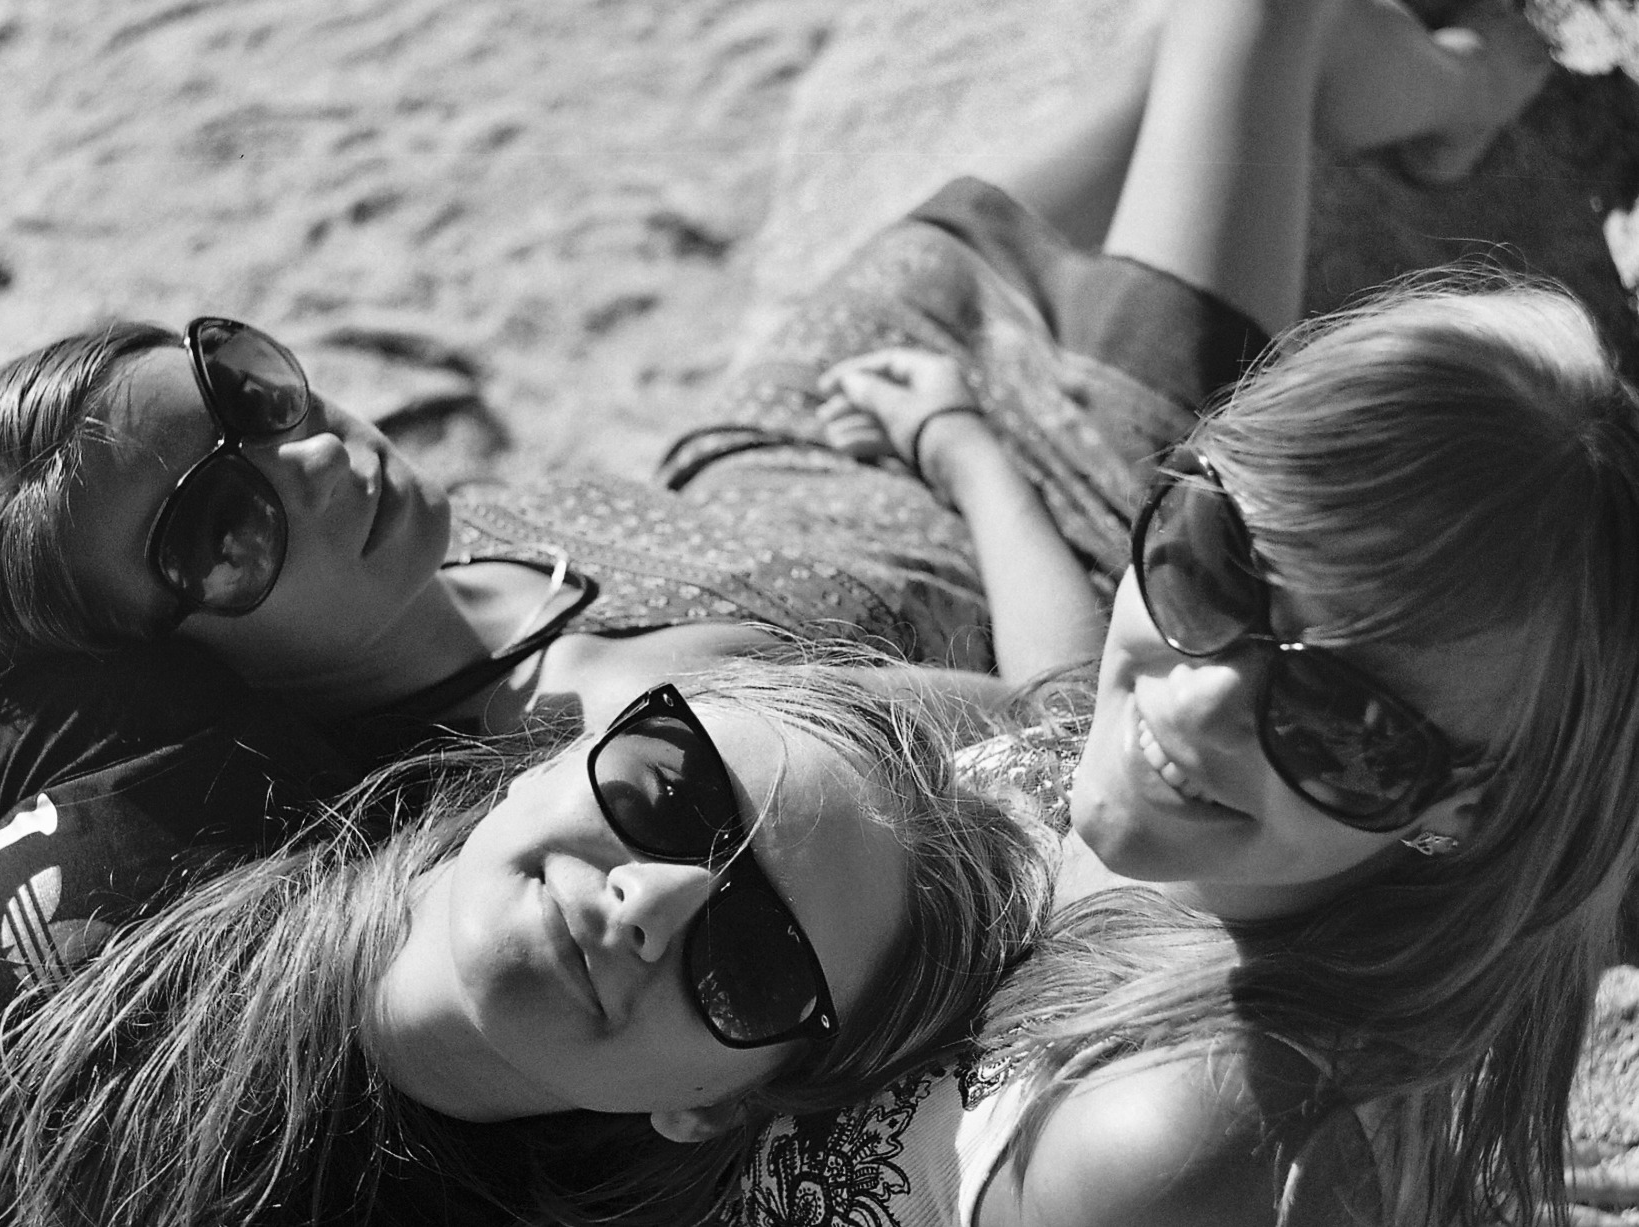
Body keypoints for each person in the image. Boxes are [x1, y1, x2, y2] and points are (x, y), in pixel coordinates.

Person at [651, 0, 1638, 1224]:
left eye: (1344, 723)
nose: (1201, 697)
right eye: (1214, 564)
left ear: (1467, 809)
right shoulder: (1199, 862)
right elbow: (1062, 705)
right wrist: (969, 456)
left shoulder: (1178, 1144)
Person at [0, 654, 1046, 1227]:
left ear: (712, 1107)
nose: (652, 900)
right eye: (669, 790)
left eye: (753, 965)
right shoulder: (171, 746)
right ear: (557, 756)